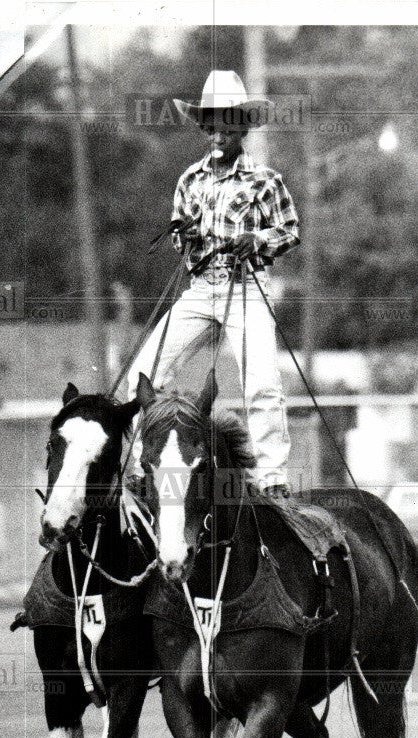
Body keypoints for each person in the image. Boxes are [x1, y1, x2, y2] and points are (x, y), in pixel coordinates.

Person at [128, 70, 300, 497]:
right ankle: (138, 466)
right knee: (143, 374)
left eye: (226, 123)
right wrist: (181, 236)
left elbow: (290, 231)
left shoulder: (265, 180)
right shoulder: (190, 180)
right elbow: (175, 234)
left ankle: (273, 478)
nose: (217, 133)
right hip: (201, 289)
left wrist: (256, 239)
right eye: (211, 124)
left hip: (246, 290)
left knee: (262, 384)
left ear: (241, 128)